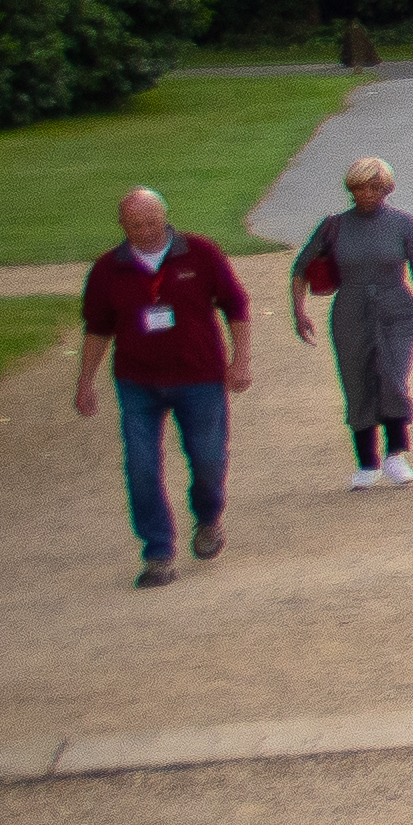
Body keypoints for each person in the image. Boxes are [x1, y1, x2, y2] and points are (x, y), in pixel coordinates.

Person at [73, 183, 254, 586]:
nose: (146, 231)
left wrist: (240, 360)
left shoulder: (200, 253)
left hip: (200, 377)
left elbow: (236, 306)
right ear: (123, 226)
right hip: (138, 382)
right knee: (141, 467)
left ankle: (208, 517)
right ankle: (157, 553)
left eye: (152, 221)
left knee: (208, 460)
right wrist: (86, 381)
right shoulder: (108, 269)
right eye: (135, 225)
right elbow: (97, 328)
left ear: (165, 216)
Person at [294, 154, 413, 486]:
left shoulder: (404, 223)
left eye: (375, 188)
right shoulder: (334, 225)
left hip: (397, 309)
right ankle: (367, 463)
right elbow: (301, 267)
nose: (368, 194)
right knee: (357, 381)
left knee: (392, 375)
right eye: (361, 188)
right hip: (350, 309)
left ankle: (396, 454)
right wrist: (299, 311)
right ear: (351, 189)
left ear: (387, 189)